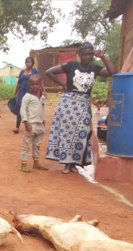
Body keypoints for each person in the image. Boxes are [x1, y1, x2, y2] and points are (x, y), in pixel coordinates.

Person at [45, 42, 117, 173]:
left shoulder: (95, 68)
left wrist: (103, 57)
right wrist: (63, 85)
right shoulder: (71, 66)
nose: (87, 57)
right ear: (80, 55)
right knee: (68, 134)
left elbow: (112, 71)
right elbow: (49, 72)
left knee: (81, 134)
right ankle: (67, 164)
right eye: (84, 54)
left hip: (84, 104)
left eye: (90, 54)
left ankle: (74, 163)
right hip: (68, 104)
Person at [19, 75, 48, 173]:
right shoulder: (27, 97)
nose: (35, 86)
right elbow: (23, 110)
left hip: (40, 124)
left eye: (37, 84)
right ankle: (24, 165)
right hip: (31, 124)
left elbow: (42, 110)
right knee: (26, 145)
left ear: (40, 85)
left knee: (37, 145)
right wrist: (26, 123)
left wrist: (44, 122)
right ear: (29, 85)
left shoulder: (41, 96)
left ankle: (36, 164)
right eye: (33, 84)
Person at [13, 56, 47, 134]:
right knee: (20, 108)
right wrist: (15, 93)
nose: (28, 63)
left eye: (30, 62)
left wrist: (44, 91)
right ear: (25, 63)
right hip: (22, 92)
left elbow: (40, 81)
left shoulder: (35, 71)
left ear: (32, 63)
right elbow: (18, 83)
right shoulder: (22, 72)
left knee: (33, 108)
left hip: (32, 92)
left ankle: (36, 125)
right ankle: (17, 127)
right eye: (27, 62)